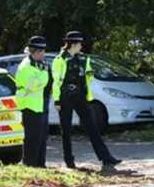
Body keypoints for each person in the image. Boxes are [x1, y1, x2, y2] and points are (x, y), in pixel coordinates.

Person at [52, 31, 121, 168]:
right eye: (79, 43)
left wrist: (88, 93)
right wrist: (57, 100)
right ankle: (69, 161)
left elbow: (88, 77)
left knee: (92, 127)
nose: (81, 46)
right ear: (73, 44)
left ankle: (106, 157)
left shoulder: (84, 59)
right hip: (65, 96)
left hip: (80, 96)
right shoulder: (59, 60)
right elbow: (56, 81)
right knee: (66, 130)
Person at [15, 35, 52, 167]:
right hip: (30, 106)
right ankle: (30, 165)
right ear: (36, 52)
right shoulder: (26, 66)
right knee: (32, 139)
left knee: (41, 138)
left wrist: (43, 71)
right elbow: (37, 84)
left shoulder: (37, 64)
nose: (44, 54)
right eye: (42, 51)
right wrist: (44, 73)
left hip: (39, 105)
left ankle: (41, 164)